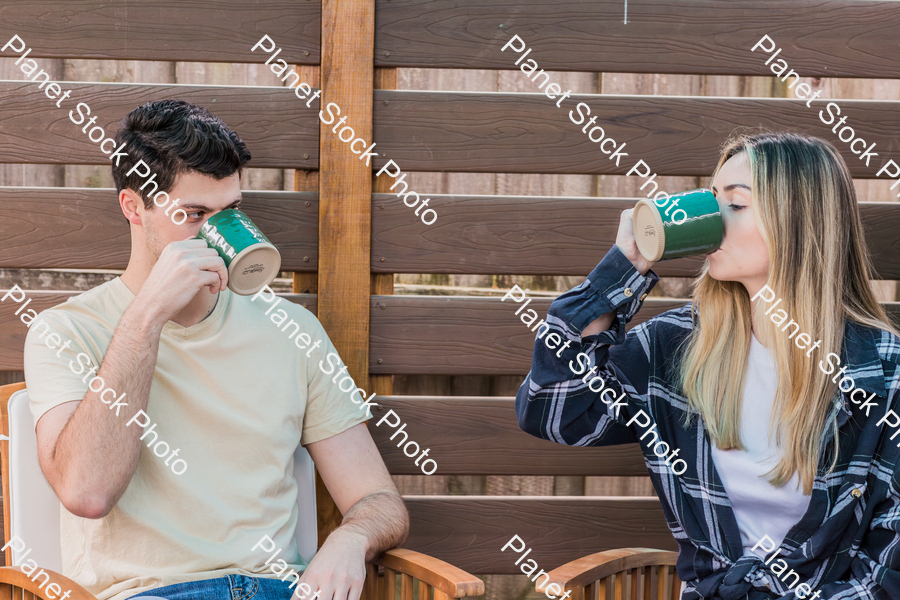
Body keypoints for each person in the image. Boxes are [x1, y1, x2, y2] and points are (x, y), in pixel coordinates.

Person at [23, 99, 408, 600]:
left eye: (230, 213)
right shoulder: (67, 332)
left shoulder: (292, 330)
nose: (217, 233)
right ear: (133, 207)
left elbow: (379, 499)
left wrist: (351, 538)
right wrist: (146, 320)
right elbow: (87, 493)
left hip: (277, 589)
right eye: (194, 214)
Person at [516, 131, 900, 599]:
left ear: (801, 222)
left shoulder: (883, 370)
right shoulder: (675, 347)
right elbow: (553, 412)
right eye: (710, 201)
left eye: (735, 205)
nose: (713, 221)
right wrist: (621, 271)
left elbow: (889, 567)